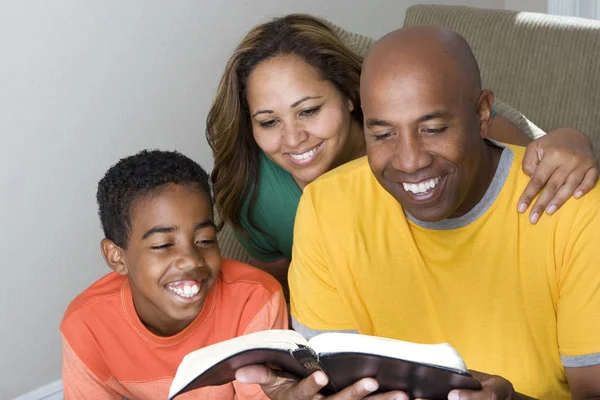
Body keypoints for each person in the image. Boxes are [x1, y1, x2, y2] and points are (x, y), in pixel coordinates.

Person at [235, 27, 600, 399]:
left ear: (482, 114)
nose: (410, 161)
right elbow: (333, 381)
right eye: (384, 134)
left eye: (433, 128)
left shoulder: (570, 203)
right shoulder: (321, 207)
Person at [206, 14, 598, 299]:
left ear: (348, 96)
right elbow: (283, 297)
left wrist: (571, 141)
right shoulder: (251, 193)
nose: (293, 138)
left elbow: (528, 161)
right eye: (268, 121)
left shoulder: (446, 130)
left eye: (308, 111)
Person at [60, 150, 287, 399]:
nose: (190, 259)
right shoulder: (86, 326)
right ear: (116, 256)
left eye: (205, 240)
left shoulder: (254, 299)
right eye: (162, 245)